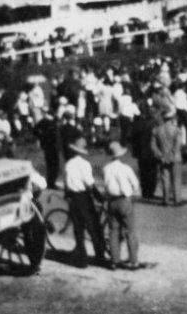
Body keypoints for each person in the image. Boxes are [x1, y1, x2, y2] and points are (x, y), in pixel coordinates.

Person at [63, 136, 107, 268]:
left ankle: (82, 259)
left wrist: (68, 195)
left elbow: (66, 183)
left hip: (73, 197)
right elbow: (89, 183)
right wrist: (99, 197)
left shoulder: (68, 164)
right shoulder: (85, 164)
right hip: (84, 197)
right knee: (94, 227)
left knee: (78, 229)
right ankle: (100, 256)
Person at [102, 141, 145, 271]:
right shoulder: (126, 168)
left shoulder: (106, 168)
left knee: (113, 231)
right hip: (124, 200)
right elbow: (135, 184)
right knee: (130, 231)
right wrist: (132, 193)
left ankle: (114, 260)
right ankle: (133, 260)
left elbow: (105, 184)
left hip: (111, 201)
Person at [150, 107, 184, 206]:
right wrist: (172, 155)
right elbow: (177, 145)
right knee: (176, 179)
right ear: (171, 118)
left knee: (165, 178)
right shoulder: (176, 130)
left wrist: (160, 155)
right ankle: (177, 199)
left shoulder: (156, 130)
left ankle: (166, 199)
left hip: (162, 157)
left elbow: (153, 145)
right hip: (175, 157)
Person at [34, 109, 61, 189]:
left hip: (48, 146)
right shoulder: (47, 122)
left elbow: (35, 130)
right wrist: (43, 137)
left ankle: (51, 182)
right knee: (53, 166)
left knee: (51, 165)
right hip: (51, 146)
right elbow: (35, 130)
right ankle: (51, 183)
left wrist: (41, 137)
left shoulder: (44, 121)